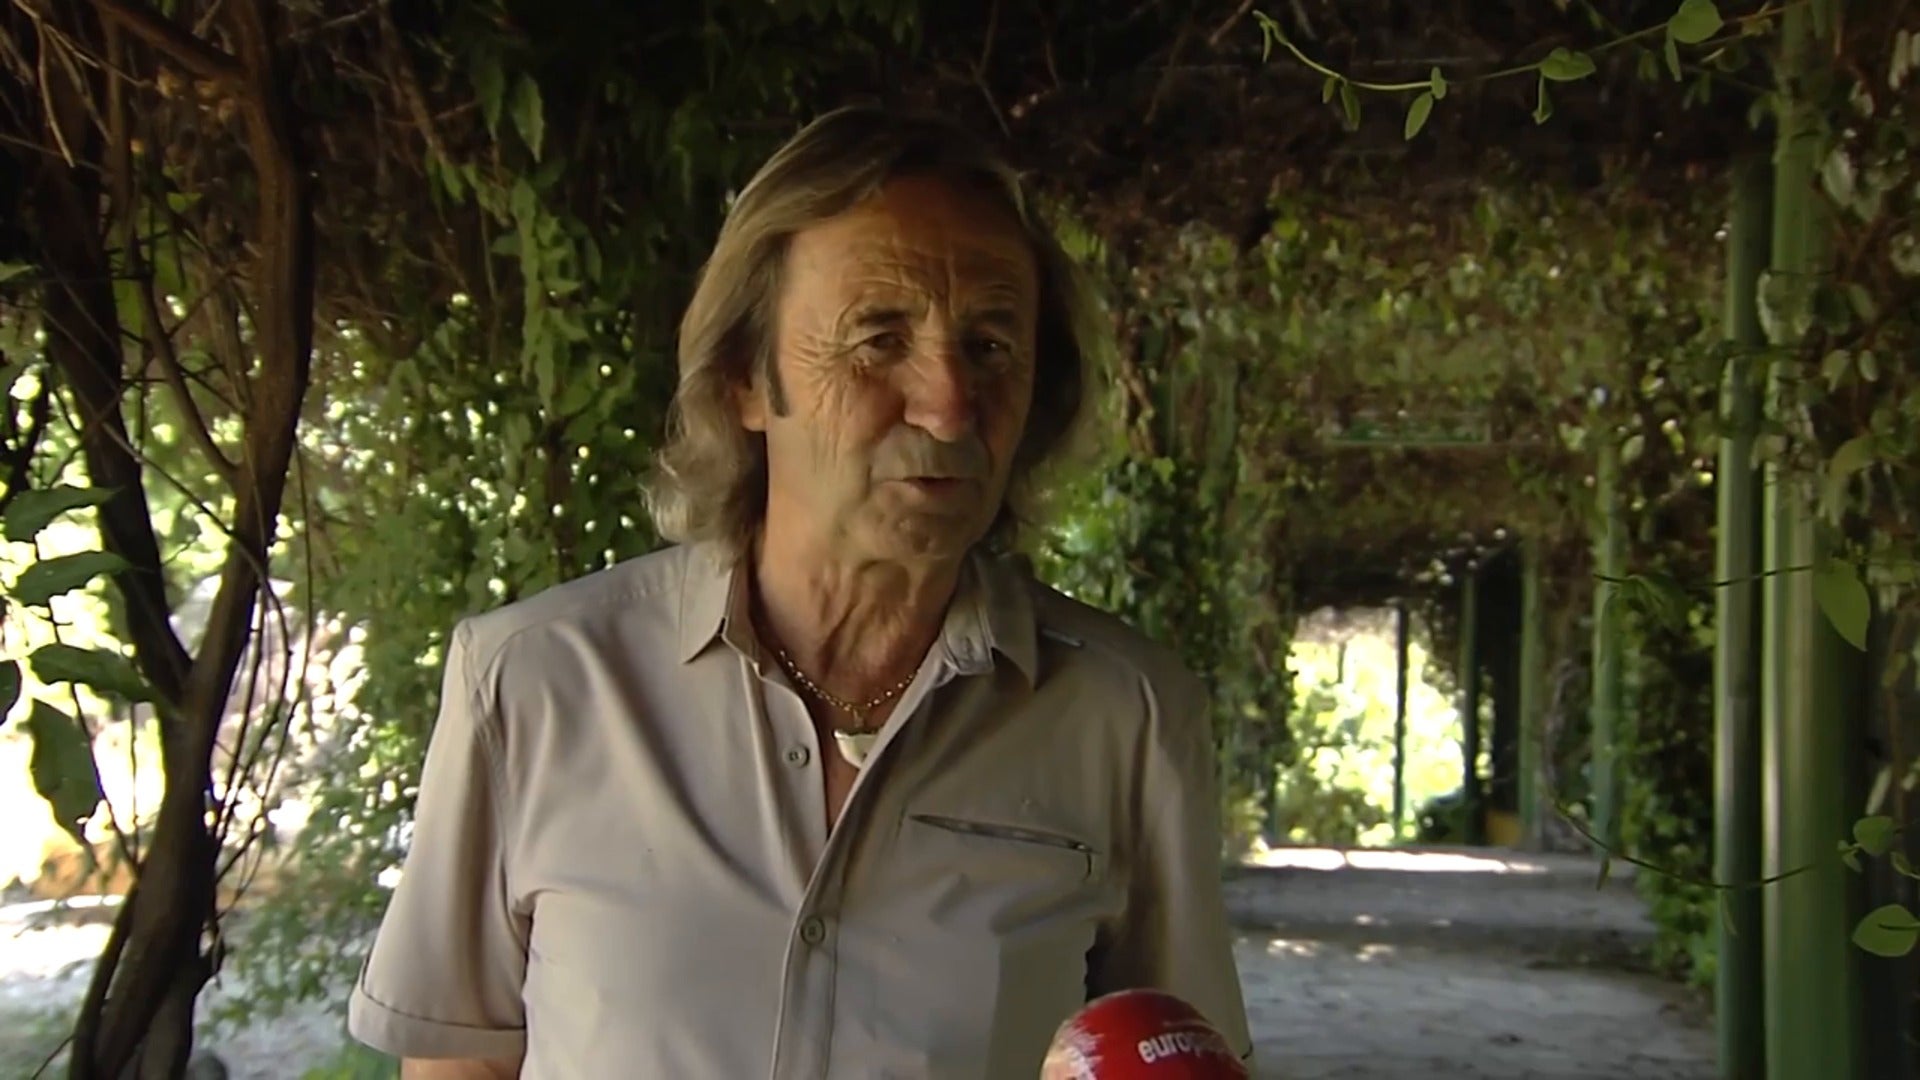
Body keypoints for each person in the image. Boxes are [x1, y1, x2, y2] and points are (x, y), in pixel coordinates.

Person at [346, 104, 1253, 1079]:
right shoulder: (536, 683)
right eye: (879, 339)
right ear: (745, 378)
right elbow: (459, 1064)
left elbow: (1175, 1054)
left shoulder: (1125, 717)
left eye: (991, 346)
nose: (950, 405)